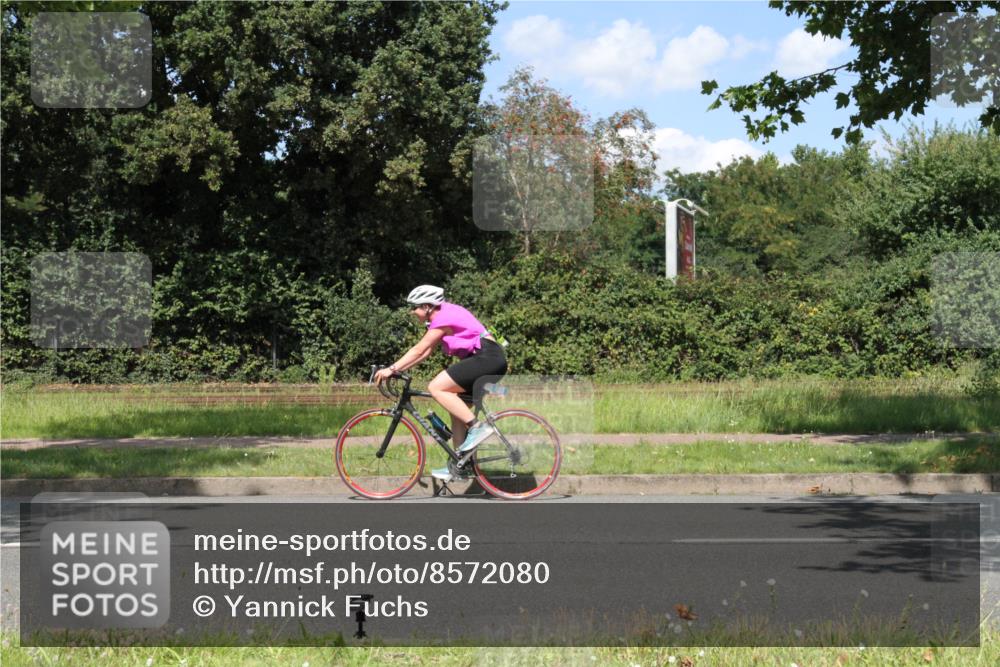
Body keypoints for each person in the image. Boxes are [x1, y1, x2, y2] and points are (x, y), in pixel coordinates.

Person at [373, 284, 508, 481]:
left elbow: (419, 350)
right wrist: (399, 369)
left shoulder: (443, 317)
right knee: (457, 412)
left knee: (436, 387)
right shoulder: (443, 316)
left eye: (415, 307)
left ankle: (478, 428)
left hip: (487, 357)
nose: (412, 312)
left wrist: (391, 369)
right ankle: (459, 467)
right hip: (488, 358)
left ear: (427, 306)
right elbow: (425, 352)